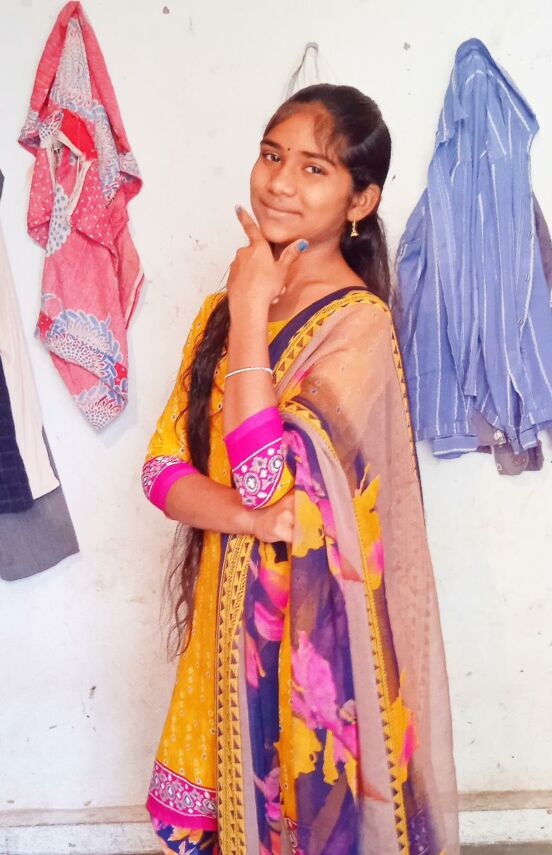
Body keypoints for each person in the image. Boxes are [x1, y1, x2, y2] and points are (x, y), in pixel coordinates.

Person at [142, 83, 459, 855]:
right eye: (272, 155)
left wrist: (252, 306)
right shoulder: (218, 313)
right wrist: (249, 520)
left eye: (315, 168)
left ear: (361, 200)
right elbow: (161, 471)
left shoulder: (358, 327)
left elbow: (263, 474)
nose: (280, 182)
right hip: (225, 628)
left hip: (311, 650)